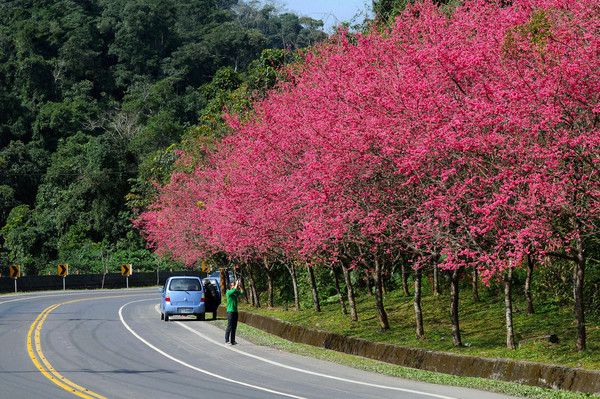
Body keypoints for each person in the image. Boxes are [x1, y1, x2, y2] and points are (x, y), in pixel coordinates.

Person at [225, 279, 243, 345]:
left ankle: (233, 340)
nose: (234, 286)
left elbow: (242, 292)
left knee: (234, 326)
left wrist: (240, 286)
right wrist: (236, 284)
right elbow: (234, 290)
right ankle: (227, 340)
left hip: (235, 311)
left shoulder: (235, 292)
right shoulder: (229, 292)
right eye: (232, 285)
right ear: (230, 286)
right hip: (230, 311)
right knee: (229, 326)